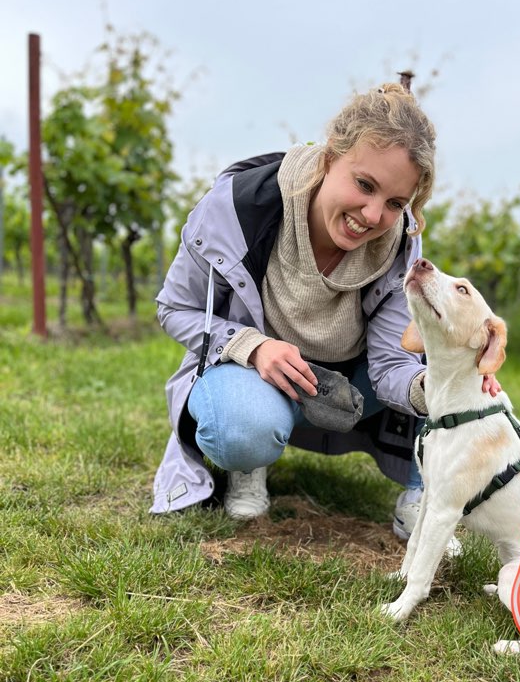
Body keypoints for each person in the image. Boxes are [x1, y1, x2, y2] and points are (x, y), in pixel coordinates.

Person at [150, 80, 495, 547]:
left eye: (395, 203)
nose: (373, 216)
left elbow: (392, 363)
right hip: (261, 376)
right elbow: (176, 307)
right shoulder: (236, 210)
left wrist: (434, 389)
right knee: (240, 426)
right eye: (364, 185)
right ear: (330, 157)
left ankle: (423, 495)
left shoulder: (399, 248)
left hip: (351, 386)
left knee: (448, 357)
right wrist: (251, 346)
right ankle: (250, 466)